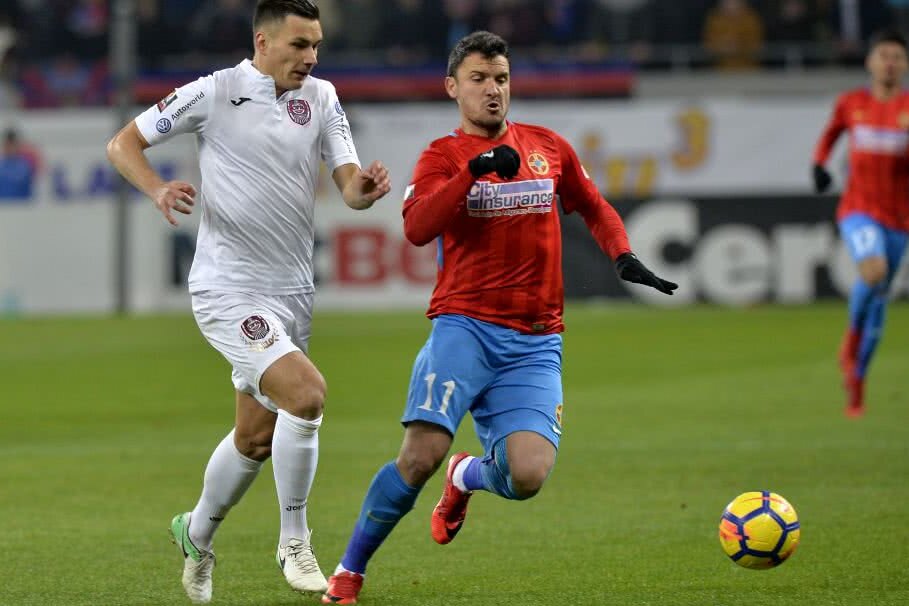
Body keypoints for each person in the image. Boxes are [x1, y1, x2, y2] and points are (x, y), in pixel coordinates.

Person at [321, 30, 677, 605]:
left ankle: (466, 476)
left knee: (527, 476)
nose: (493, 90)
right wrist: (475, 170)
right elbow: (417, 228)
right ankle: (349, 571)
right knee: (420, 456)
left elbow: (593, 205)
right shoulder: (442, 156)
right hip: (465, 328)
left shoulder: (548, 146)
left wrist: (622, 254)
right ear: (452, 88)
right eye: (479, 79)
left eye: (502, 79)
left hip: (535, 341)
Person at [105, 1, 390, 603]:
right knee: (306, 395)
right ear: (263, 42)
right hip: (227, 287)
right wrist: (156, 188)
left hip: (292, 291)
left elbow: (349, 185)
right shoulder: (214, 92)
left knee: (256, 437)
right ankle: (295, 541)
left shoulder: (322, 98)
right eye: (299, 45)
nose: (311, 57)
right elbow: (123, 143)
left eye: (316, 45)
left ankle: (196, 533)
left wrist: (363, 191)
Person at [813, 29, 909, 417]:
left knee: (879, 294)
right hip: (859, 209)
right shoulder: (851, 103)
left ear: (904, 65)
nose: (889, 63)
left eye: (896, 57)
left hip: (899, 218)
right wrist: (819, 164)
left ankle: (858, 380)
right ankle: (851, 341)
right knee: (874, 270)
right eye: (883, 55)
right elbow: (831, 134)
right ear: (870, 61)